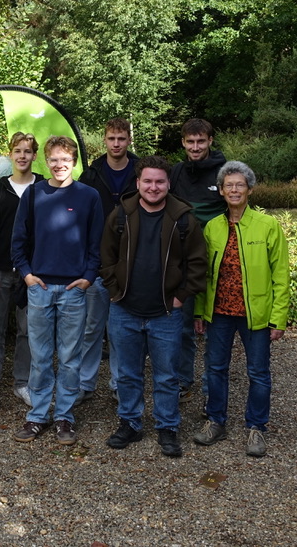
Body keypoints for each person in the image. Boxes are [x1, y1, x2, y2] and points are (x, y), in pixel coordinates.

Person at [99, 156, 207, 458]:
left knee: (167, 375)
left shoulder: (183, 219)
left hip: (167, 313)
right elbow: (105, 257)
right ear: (138, 183)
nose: (153, 187)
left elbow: (198, 264)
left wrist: (181, 296)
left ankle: (167, 427)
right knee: (128, 374)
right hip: (124, 310)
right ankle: (130, 423)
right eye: (147, 181)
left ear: (168, 183)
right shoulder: (120, 215)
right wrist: (114, 291)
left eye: (160, 181)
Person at [10, 136, 103, 447]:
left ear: (74, 162)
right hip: (40, 287)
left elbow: (96, 243)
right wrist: (26, 274)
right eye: (53, 160)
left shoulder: (88, 196)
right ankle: (37, 415)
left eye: (65, 160)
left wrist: (89, 277)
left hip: (74, 288)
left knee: (70, 356)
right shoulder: (34, 194)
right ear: (45, 162)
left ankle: (64, 415)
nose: (59, 165)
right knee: (40, 356)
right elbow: (18, 240)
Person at [194, 161, 290, 457]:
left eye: (240, 185)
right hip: (220, 312)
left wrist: (279, 318)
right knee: (215, 369)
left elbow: (281, 274)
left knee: (258, 373)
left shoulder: (267, 225)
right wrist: (199, 311)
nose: (234, 190)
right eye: (228, 185)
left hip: (255, 314)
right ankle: (216, 421)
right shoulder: (213, 226)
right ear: (221, 191)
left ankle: (256, 427)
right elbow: (204, 275)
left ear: (249, 189)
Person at [78, 117, 139, 403]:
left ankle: (119, 383)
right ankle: (85, 382)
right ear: (105, 140)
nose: (116, 144)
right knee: (92, 327)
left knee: (120, 329)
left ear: (128, 140)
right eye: (111, 138)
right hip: (97, 261)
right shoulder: (92, 174)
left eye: (121, 139)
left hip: (130, 261)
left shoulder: (140, 170)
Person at [0, 132, 38, 409]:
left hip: (31, 274)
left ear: (35, 156)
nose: (22, 156)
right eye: (18, 151)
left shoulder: (43, 189)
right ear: (10, 154)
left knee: (28, 331)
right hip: (0, 271)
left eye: (27, 151)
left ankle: (22, 383)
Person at [170, 119, 227, 401]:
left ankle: (212, 390)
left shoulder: (224, 172)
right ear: (183, 143)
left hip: (219, 263)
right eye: (190, 142)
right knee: (184, 325)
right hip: (185, 261)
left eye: (200, 142)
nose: (195, 147)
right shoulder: (177, 172)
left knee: (215, 328)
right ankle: (183, 379)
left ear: (210, 141)